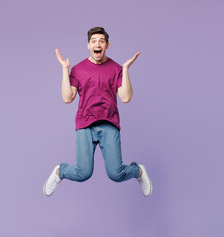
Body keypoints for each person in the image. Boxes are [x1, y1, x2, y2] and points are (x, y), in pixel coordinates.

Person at [43, 27, 152, 197]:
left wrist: (125, 69)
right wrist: (65, 70)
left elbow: (125, 97)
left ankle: (138, 171)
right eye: (94, 41)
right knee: (83, 173)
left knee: (116, 174)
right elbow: (67, 97)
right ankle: (60, 172)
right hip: (85, 124)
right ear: (88, 45)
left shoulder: (116, 68)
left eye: (101, 41)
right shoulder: (78, 69)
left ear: (107, 45)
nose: (97, 44)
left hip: (109, 123)